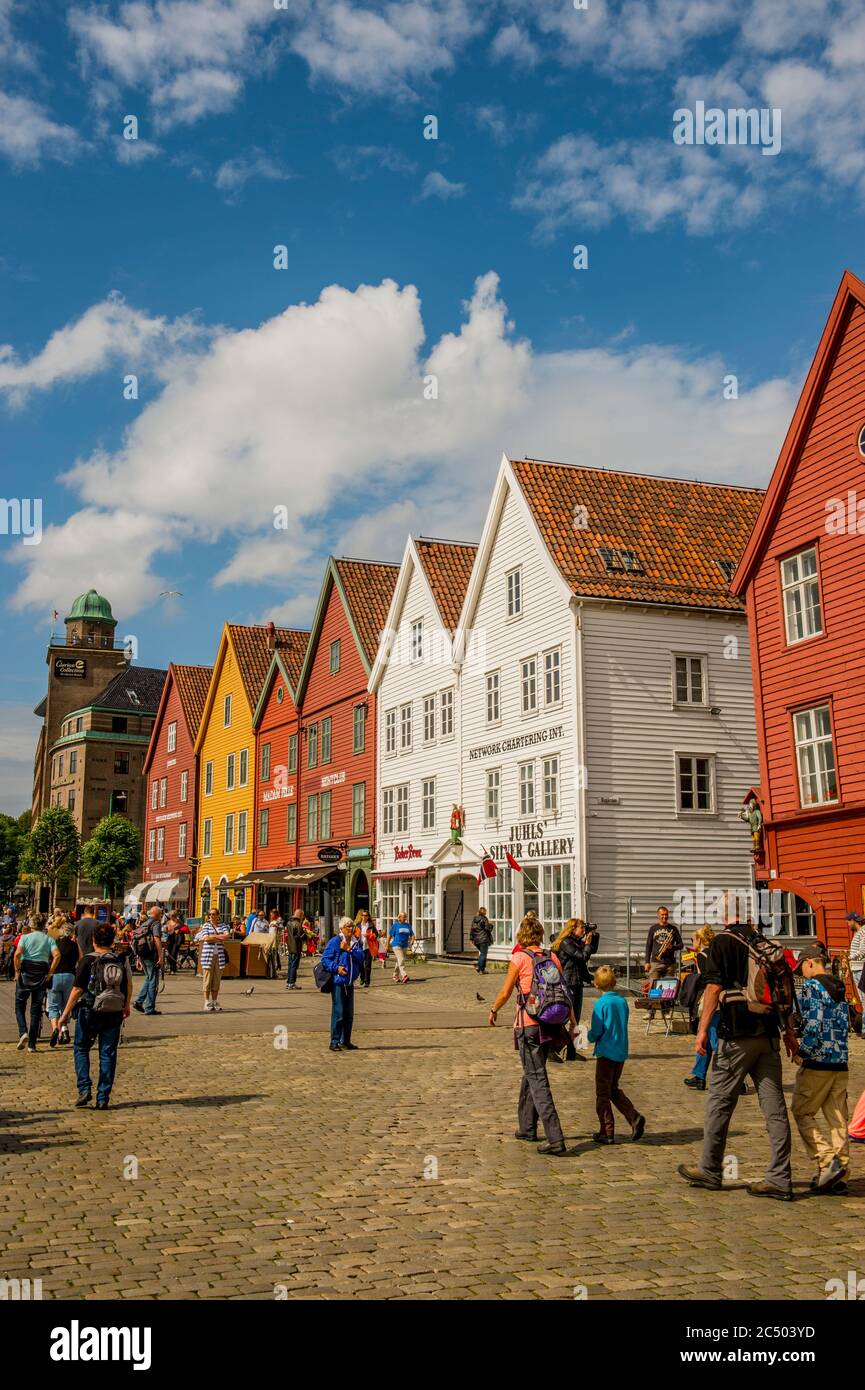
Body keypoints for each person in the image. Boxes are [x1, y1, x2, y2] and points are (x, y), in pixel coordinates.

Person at [677, 903, 797, 1200]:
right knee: (774, 1108)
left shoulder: (722, 942)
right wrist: (789, 1032)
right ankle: (780, 1176)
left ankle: (710, 1168)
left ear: (723, 916)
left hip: (736, 1033)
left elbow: (713, 990)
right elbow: (784, 989)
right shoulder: (765, 944)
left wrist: (702, 1030)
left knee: (719, 1102)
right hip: (768, 1033)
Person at [488, 914, 575, 1157]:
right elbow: (564, 992)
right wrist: (572, 1024)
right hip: (551, 1022)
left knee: (537, 1078)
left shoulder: (519, 958)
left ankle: (555, 1137)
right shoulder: (552, 957)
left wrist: (494, 1009)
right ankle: (527, 1127)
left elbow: (506, 991)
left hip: (529, 1023)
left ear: (521, 936)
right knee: (531, 1073)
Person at [791, 944, 850, 1192]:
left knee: (802, 1111)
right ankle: (841, 1175)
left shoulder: (812, 987)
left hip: (819, 1061)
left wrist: (801, 1051)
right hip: (840, 1060)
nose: (802, 973)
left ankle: (827, 1160)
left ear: (811, 962)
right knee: (837, 1119)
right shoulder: (840, 988)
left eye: (802, 967)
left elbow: (813, 1024)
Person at [57, 922, 132, 1109]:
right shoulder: (121, 959)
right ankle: (103, 1097)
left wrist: (64, 1014)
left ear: (93, 940)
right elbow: (128, 984)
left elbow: (76, 990)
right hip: (114, 1009)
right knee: (108, 1053)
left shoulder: (88, 960)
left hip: (89, 1010)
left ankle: (84, 1088)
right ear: (113, 939)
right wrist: (126, 1005)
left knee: (81, 1048)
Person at [588, 965, 645, 1144]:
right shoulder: (621, 1002)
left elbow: (597, 1029)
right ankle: (633, 1116)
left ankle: (607, 1130)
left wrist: (587, 1036)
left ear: (596, 985)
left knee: (602, 1093)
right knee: (613, 1089)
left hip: (606, 1052)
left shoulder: (601, 1004)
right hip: (620, 1051)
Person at [551, 918, 596, 1061]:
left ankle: (572, 1051)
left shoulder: (576, 941)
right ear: (572, 929)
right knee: (564, 1017)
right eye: (581, 928)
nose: (583, 930)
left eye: (584, 928)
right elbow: (582, 956)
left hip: (577, 982)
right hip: (568, 983)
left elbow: (591, 950)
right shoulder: (566, 942)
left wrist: (592, 937)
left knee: (576, 1018)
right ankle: (551, 1048)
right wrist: (587, 944)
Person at [14, 913, 60, 1052]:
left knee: (19, 1005)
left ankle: (23, 1032)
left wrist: (17, 970)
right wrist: (50, 973)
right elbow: (57, 955)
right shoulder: (49, 939)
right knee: (36, 1010)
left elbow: (17, 954)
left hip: (26, 973)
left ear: (32, 925)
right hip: (41, 974)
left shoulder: (25, 938)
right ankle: (32, 1044)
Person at [320, 917, 364, 1052]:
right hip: (338, 982)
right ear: (341, 929)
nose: (350, 929)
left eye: (352, 927)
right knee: (338, 1012)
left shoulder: (356, 943)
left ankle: (345, 1041)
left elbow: (361, 957)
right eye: (347, 927)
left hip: (349, 982)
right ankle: (334, 1041)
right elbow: (325, 960)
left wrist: (349, 949)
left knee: (349, 1014)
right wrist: (336, 968)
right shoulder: (335, 941)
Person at [682, 926, 716, 1091]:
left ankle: (737, 1081)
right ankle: (699, 1075)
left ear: (700, 940)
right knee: (707, 1040)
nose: (692, 942)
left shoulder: (702, 957)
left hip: (711, 1002)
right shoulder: (716, 953)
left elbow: (706, 979)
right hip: (717, 1001)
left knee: (716, 1042)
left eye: (693, 939)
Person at [48, 925, 80, 1046]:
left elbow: (51, 958)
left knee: (53, 1006)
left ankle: (55, 1029)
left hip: (56, 975)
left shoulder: (55, 943)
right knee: (66, 1006)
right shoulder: (74, 945)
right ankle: (64, 1029)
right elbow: (80, 959)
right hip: (70, 976)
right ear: (72, 934)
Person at [195, 909, 230, 1012]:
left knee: (216, 980)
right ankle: (206, 1002)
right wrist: (219, 937)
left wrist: (213, 937)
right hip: (207, 956)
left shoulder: (223, 925)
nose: (211, 916)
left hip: (219, 956)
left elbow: (227, 936)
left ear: (218, 915)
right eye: (209, 914)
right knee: (207, 980)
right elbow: (206, 938)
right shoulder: (206, 925)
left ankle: (214, 1001)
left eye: (213, 914)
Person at [131, 905, 163, 1016]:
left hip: (142, 954)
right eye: (161, 914)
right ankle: (149, 1007)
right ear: (158, 914)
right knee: (153, 980)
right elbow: (156, 939)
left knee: (149, 978)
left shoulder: (144, 923)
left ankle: (139, 1002)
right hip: (151, 955)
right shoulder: (156, 923)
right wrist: (160, 955)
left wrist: (138, 958)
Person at [644, 906, 682, 984]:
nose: (664, 916)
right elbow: (648, 946)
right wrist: (647, 961)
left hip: (669, 964)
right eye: (662, 914)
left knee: (668, 988)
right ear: (658, 915)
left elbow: (681, 945)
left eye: (666, 914)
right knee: (654, 987)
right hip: (655, 963)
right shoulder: (653, 928)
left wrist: (672, 947)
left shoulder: (673, 929)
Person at [389, 912, 414, 984]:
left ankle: (395, 976)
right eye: (403, 916)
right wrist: (387, 944)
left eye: (405, 916)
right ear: (399, 917)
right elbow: (390, 936)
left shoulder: (408, 926)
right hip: (396, 945)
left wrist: (412, 940)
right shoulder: (395, 925)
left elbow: (412, 935)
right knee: (401, 959)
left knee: (399, 961)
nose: (405, 918)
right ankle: (404, 975)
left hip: (405, 945)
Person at [469, 906, 493, 975]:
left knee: (482, 954)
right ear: (484, 912)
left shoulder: (474, 919)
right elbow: (488, 928)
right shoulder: (484, 919)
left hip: (476, 940)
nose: (486, 912)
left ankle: (481, 969)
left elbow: (472, 929)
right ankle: (479, 967)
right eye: (486, 911)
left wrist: (471, 939)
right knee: (483, 954)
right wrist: (491, 925)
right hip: (483, 939)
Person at [285, 910, 305, 989]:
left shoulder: (289, 923)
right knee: (294, 966)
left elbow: (292, 935)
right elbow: (298, 936)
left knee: (290, 965)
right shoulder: (298, 924)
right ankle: (292, 983)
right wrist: (305, 935)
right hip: (296, 947)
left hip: (290, 946)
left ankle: (289, 982)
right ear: (300, 915)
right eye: (302, 916)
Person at [360, 914, 378, 988]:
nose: (364, 917)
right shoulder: (358, 925)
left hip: (368, 947)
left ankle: (367, 982)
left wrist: (369, 936)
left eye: (366, 915)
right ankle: (362, 977)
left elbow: (376, 934)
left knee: (367, 965)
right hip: (360, 947)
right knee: (360, 964)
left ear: (368, 917)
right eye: (363, 915)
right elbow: (354, 934)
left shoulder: (371, 925)